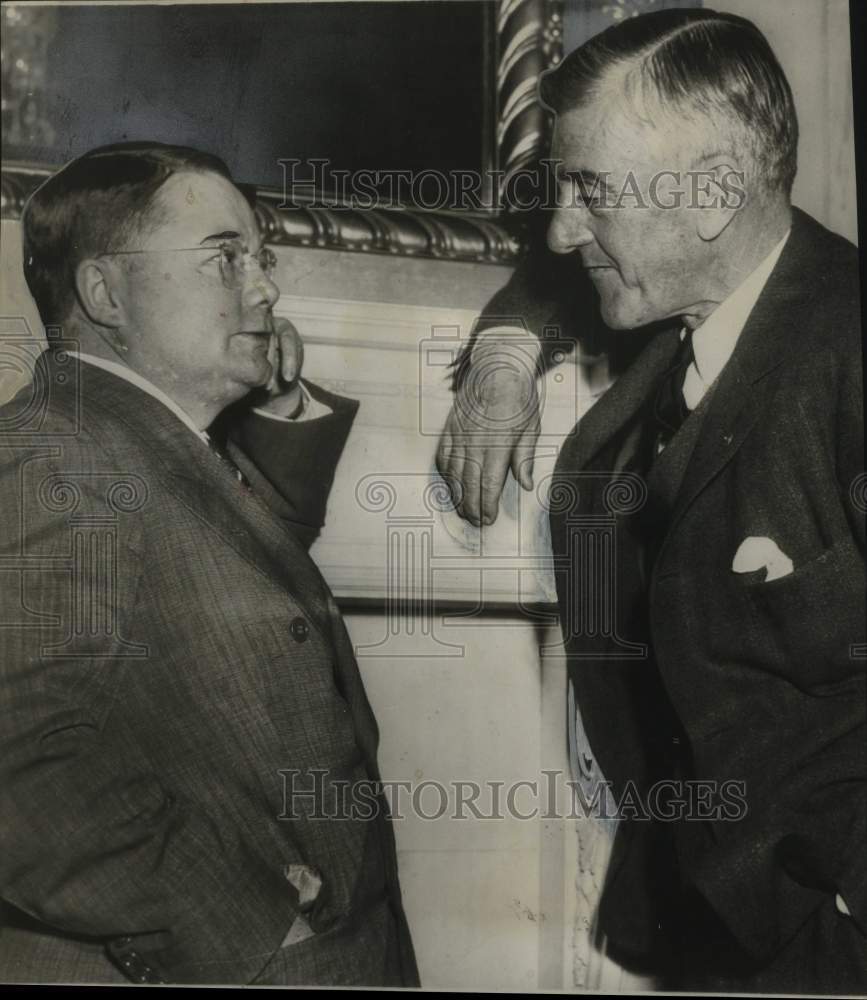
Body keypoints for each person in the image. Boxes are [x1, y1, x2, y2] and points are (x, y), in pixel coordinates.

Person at [437, 8, 865, 992]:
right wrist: (504, 356)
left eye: (590, 189)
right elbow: (550, 274)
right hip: (705, 921)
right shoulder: (690, 314)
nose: (561, 226)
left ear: (714, 192)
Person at [0, 141, 418, 986]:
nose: (266, 287)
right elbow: (20, 774)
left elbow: (239, 557)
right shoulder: (51, 461)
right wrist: (251, 921)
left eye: (262, 257)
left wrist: (274, 394)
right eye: (225, 259)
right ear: (103, 292)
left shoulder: (131, 436)